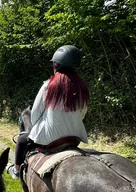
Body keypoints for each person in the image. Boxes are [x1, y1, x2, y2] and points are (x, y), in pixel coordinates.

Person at [7, 45, 90, 180]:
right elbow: (82, 114)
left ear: (56, 65)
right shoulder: (83, 88)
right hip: (75, 137)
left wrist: (37, 127)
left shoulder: (49, 85)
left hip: (51, 138)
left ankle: (16, 171)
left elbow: (34, 115)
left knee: (22, 140)